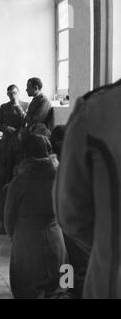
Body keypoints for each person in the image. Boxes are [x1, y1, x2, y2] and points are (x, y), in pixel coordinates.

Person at [54, 80, 121, 299]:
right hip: (82, 253)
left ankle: (67, 289)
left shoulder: (96, 111)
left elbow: (70, 215)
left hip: (109, 276)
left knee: (68, 270)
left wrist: (106, 239)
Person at [5, 134, 67, 299]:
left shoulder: (19, 182)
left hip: (27, 240)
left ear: (24, 154)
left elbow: (9, 219)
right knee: (61, 286)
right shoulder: (60, 177)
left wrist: (15, 236)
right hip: (56, 238)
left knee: (27, 289)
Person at [0, 84, 28, 183]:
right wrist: (6, 128)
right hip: (7, 142)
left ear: (18, 93)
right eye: (10, 94)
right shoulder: (4, 107)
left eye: (14, 93)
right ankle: (7, 190)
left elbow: (26, 123)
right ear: (7, 95)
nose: (12, 96)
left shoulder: (26, 105)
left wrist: (18, 107)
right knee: (7, 168)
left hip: (20, 141)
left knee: (20, 166)